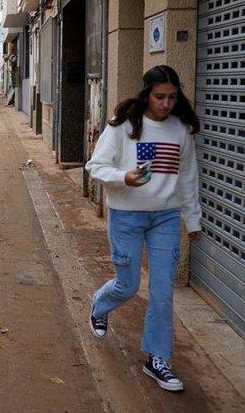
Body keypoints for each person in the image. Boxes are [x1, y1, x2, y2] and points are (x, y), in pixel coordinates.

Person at [85, 65, 201, 393]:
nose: (166, 104)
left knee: (162, 291)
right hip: (126, 216)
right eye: (160, 97)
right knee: (128, 284)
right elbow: (95, 166)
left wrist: (193, 219)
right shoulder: (124, 126)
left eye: (172, 97)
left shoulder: (181, 130)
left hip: (166, 217)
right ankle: (100, 304)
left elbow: (188, 178)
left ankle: (157, 358)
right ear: (147, 94)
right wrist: (124, 177)